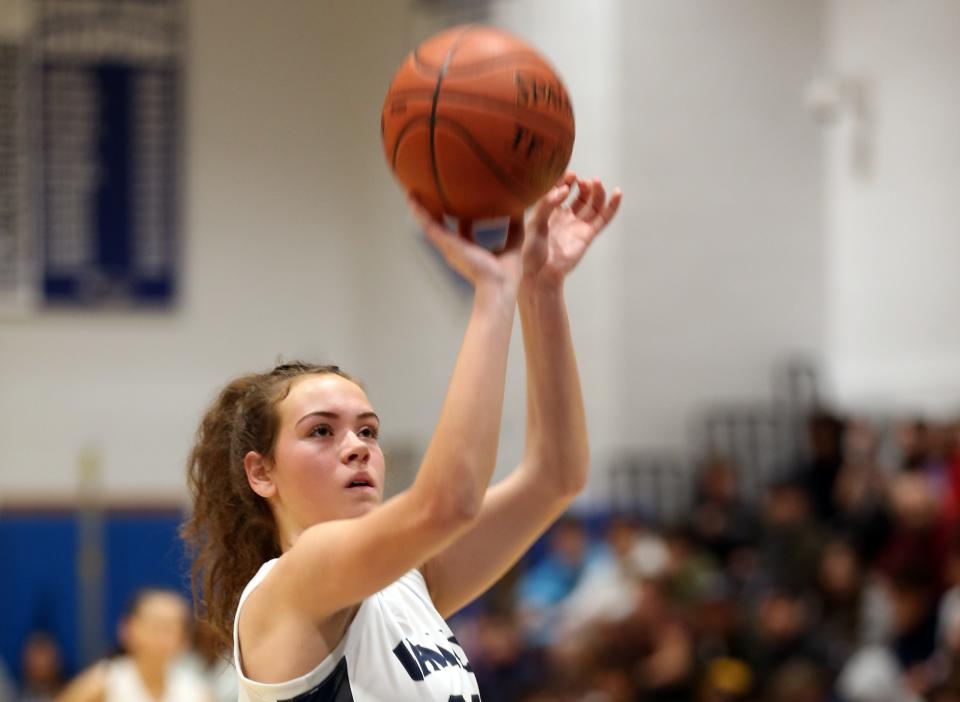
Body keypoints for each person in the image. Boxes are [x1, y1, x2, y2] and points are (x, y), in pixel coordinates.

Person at [180, 172, 621, 701]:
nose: (357, 446)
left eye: (367, 429)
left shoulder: (410, 582)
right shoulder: (291, 585)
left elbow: (556, 476)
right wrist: (493, 292)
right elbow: (450, 502)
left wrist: (541, 289)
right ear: (261, 472)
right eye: (321, 431)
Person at [54, 589, 212, 702]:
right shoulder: (103, 682)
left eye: (173, 628)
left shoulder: (196, 690)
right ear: (127, 629)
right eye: (157, 626)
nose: (164, 638)